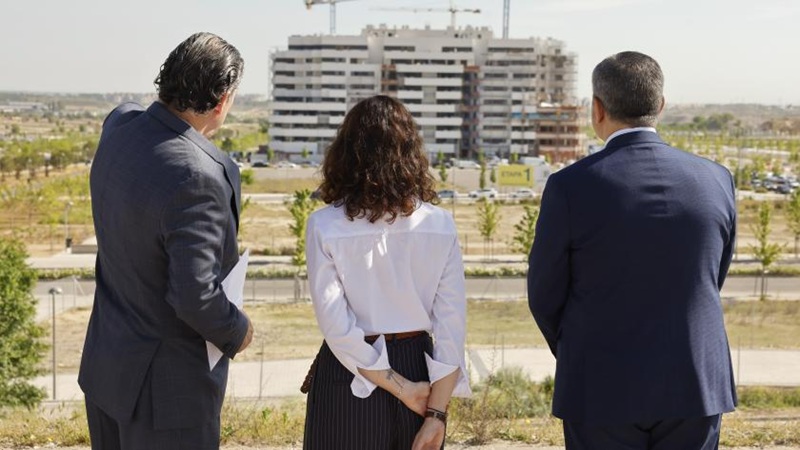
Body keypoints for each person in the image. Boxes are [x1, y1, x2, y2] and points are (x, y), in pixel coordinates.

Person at [528, 51, 737, 450]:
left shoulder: (570, 187)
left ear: (597, 109)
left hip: (600, 381)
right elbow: (712, 275)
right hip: (694, 381)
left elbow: (544, 294)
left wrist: (578, 347)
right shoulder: (716, 180)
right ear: (661, 105)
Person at [78, 32, 254, 450]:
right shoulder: (199, 176)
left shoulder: (118, 126)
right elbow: (195, 296)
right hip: (167, 398)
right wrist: (238, 330)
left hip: (107, 368)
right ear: (222, 100)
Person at [303, 95, 471, 450]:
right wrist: (436, 414)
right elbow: (451, 327)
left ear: (346, 153)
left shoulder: (324, 225)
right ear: (411, 153)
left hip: (349, 375)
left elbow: (337, 328)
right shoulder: (440, 224)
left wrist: (402, 388)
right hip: (419, 369)